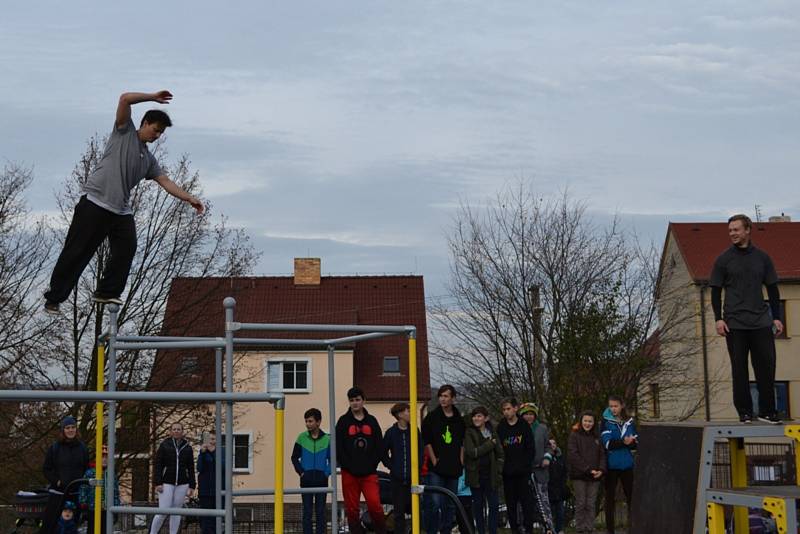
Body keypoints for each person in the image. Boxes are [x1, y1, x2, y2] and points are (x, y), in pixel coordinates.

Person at [43, 90, 204, 314]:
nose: (157, 136)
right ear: (145, 123)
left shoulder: (148, 159)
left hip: (120, 211)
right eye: (155, 130)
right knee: (78, 251)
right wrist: (152, 97)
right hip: (95, 203)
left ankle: (107, 292)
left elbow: (165, 181)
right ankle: (54, 298)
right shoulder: (124, 132)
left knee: (127, 247)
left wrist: (188, 197)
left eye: (160, 134)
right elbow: (125, 99)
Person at [710, 213, 784, 424]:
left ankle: (767, 411)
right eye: (730, 230)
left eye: (736, 229)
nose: (732, 233)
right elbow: (715, 290)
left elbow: (773, 288)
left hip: (761, 321)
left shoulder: (762, 258)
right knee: (739, 368)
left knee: (766, 366)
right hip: (734, 323)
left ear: (747, 230)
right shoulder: (724, 260)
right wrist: (718, 319)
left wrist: (776, 318)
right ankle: (745, 412)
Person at [335, 387, 385, 534]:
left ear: (364, 400)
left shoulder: (372, 421)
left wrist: (372, 463)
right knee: (352, 509)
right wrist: (347, 465)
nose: (355, 403)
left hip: (369, 473)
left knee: (375, 505)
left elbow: (379, 445)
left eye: (357, 400)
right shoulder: (343, 422)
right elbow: (338, 447)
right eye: (352, 400)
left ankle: (381, 531)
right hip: (349, 473)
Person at [422, 384, 466, 534]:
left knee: (450, 505)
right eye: (441, 396)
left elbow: (461, 442)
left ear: (453, 398)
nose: (443, 399)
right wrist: (434, 460)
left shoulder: (459, 420)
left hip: (453, 468)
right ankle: (432, 531)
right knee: (435, 503)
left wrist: (461, 462)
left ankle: (446, 531)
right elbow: (426, 441)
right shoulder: (432, 417)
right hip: (437, 469)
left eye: (446, 396)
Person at [42, 416, 89, 534]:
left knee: (73, 526)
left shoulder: (82, 448)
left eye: (73, 427)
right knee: (52, 526)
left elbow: (85, 467)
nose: (70, 430)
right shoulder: (55, 448)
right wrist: (57, 481)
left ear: (76, 429)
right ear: (63, 430)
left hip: (75, 494)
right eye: (67, 428)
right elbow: (46, 469)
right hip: (58, 495)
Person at [496, 398, 535, 534]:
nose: (506, 412)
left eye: (508, 409)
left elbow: (530, 448)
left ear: (515, 408)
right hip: (508, 473)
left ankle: (528, 529)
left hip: (523, 472)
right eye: (504, 410)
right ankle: (514, 529)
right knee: (511, 504)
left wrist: (525, 466)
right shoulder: (501, 427)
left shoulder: (524, 426)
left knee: (526, 504)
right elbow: (499, 449)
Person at [382, 402, 422, 534]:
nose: (410, 413)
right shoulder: (391, 433)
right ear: (399, 414)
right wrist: (393, 467)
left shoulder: (414, 431)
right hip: (397, 480)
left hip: (413, 479)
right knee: (398, 513)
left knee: (416, 511)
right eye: (408, 411)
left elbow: (420, 451)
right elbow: (383, 453)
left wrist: (418, 467)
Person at [150, 422, 196, 534]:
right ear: (170, 431)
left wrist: (192, 485)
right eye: (174, 429)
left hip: (182, 483)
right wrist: (158, 483)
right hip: (166, 483)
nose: (176, 431)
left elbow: (190, 467)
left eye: (178, 429)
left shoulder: (188, 448)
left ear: (182, 431)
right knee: (163, 511)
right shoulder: (165, 445)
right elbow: (158, 465)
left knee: (176, 512)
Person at [463, 406, 503, 534]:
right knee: (478, 507)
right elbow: (472, 452)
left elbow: (500, 454)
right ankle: (480, 531)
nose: (476, 418)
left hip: (491, 476)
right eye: (474, 416)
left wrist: (499, 470)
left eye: (479, 416)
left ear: (486, 418)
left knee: (494, 506)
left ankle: (492, 531)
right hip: (476, 476)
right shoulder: (469, 432)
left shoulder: (492, 432)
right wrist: (489, 444)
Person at [600, 397, 636, 534]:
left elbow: (636, 442)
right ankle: (610, 531)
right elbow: (607, 443)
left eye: (615, 406)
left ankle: (633, 528)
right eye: (611, 406)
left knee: (631, 497)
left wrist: (630, 442)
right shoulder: (605, 421)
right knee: (609, 499)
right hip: (611, 465)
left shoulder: (630, 421)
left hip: (627, 465)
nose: (613, 409)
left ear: (622, 406)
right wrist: (624, 443)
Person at [292, 409, 331, 534]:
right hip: (306, 480)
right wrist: (302, 473)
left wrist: (326, 473)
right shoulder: (301, 437)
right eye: (306, 421)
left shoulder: (327, 439)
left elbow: (334, 459)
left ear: (318, 422)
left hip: (322, 481)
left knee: (321, 512)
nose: (308, 424)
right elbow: (294, 457)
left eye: (310, 421)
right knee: (307, 512)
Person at [568, 411, 606, 534]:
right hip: (579, 475)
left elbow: (602, 455)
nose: (587, 423)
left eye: (590, 421)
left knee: (590, 503)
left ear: (594, 423)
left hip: (595, 475)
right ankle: (580, 529)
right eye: (585, 420)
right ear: (581, 421)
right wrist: (588, 469)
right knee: (581, 502)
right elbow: (573, 455)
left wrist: (601, 470)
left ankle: (589, 528)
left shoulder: (597, 436)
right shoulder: (574, 435)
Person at [518, 402, 553, 527]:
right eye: (526, 414)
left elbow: (548, 446)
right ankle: (524, 528)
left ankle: (548, 528)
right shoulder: (518, 429)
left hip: (540, 471)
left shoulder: (542, 429)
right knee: (524, 504)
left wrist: (547, 458)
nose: (529, 417)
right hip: (523, 472)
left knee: (543, 503)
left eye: (531, 414)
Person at [78, 446, 120, 534]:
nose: (104, 459)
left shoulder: (111, 474)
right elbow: (83, 488)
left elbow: (115, 492)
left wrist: (116, 508)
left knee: (105, 530)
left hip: (106, 509)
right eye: (102, 457)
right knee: (92, 530)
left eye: (106, 457)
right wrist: (83, 504)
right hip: (92, 508)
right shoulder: (90, 473)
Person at [197, 432, 225, 534]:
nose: (211, 442)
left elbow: (223, 467)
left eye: (214, 439)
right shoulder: (203, 453)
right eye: (209, 439)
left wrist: (214, 452)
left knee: (218, 520)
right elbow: (199, 468)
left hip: (220, 491)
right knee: (206, 522)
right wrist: (202, 453)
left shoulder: (223, 451)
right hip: (205, 492)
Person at [547, 437, 568, 534]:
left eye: (554, 443)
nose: (552, 445)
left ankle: (560, 530)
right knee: (549, 512)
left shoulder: (561, 458)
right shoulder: (545, 458)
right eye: (550, 444)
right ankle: (549, 529)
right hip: (548, 488)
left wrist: (563, 484)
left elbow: (565, 472)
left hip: (559, 489)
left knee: (560, 512)